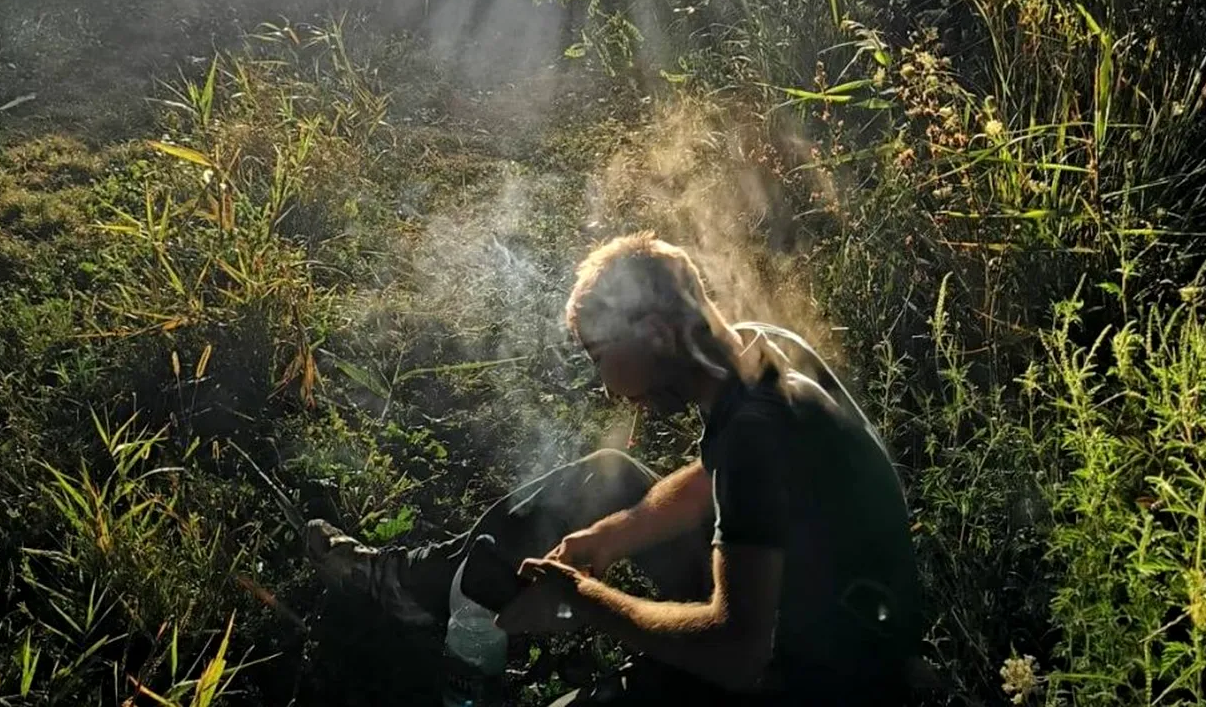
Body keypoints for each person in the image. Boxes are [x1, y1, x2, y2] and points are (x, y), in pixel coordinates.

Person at [303, 232, 924, 706]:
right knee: (608, 474)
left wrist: (582, 600)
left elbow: (737, 653)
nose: (606, 388)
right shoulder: (759, 352)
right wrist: (607, 537)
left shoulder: (754, 434)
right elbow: (716, 479)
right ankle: (412, 586)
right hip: (804, 605)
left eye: (600, 357)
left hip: (817, 677)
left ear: (655, 333)